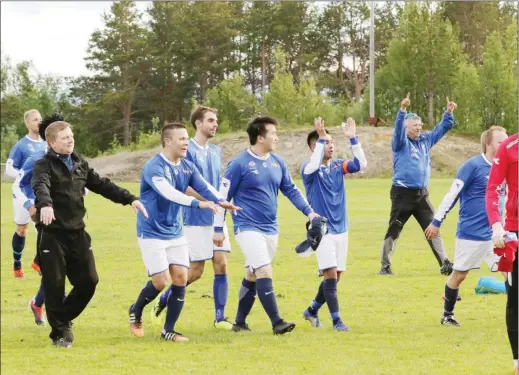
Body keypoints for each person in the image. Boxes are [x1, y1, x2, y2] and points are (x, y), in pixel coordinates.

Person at [32, 120, 147, 348]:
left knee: (89, 281)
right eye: (65, 138)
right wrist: (45, 204)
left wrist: (130, 198)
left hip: (77, 233)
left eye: (71, 135)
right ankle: (60, 334)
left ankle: (62, 319)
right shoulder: (43, 165)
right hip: (52, 235)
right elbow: (40, 185)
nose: (71, 140)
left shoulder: (80, 163)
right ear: (52, 142)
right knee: (55, 285)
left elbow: (102, 185)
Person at [128, 123, 239, 343]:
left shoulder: (187, 166)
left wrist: (221, 200)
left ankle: (168, 330)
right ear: (167, 141)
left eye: (187, 138)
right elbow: (169, 193)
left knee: (180, 277)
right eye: (181, 139)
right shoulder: (154, 167)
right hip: (151, 231)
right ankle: (136, 309)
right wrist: (199, 204)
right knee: (160, 282)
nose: (186, 142)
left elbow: (204, 187)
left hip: (174, 231)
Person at [214, 116, 319, 335]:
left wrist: (309, 211)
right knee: (263, 269)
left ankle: (240, 323)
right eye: (273, 133)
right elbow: (222, 197)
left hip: (271, 228)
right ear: (260, 137)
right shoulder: (239, 164)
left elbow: (290, 189)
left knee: (252, 274)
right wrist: (217, 228)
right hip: (246, 226)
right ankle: (277, 322)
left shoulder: (277, 162)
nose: (276, 138)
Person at [151, 107, 233, 330]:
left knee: (222, 263)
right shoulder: (188, 151)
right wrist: (206, 200)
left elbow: (216, 185)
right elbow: (184, 187)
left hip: (216, 215)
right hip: (194, 218)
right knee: (195, 271)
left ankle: (220, 318)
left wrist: (219, 202)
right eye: (210, 120)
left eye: (216, 120)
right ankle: (163, 299)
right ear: (198, 123)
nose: (215, 124)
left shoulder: (216, 150)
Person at [424, 126, 508, 326]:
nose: (505, 144)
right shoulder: (472, 166)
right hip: (471, 235)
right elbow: (452, 195)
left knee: (511, 273)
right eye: (500, 141)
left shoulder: (506, 166)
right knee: (460, 274)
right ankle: (447, 315)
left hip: (497, 234)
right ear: (488, 144)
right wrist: (436, 222)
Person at [378, 93, 457, 276]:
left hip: (421, 195)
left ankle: (445, 262)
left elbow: (441, 129)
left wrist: (448, 113)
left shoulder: (425, 140)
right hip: (402, 195)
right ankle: (385, 266)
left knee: (433, 227)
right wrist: (402, 111)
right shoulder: (400, 142)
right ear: (406, 127)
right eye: (414, 126)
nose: (419, 128)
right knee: (394, 229)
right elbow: (398, 130)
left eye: (420, 125)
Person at [300, 117, 367, 331]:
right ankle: (337, 321)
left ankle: (311, 310)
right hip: (322, 230)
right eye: (325, 142)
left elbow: (361, 165)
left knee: (336, 277)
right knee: (330, 274)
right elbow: (312, 164)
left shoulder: (338, 166)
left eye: (331, 142)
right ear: (314, 146)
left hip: (342, 228)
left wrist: (353, 138)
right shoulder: (309, 169)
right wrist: (320, 138)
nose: (330, 145)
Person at [13, 114, 66, 326]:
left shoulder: (68, 157)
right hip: (42, 215)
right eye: (63, 134)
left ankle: (38, 301)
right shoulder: (36, 158)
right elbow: (17, 185)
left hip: (63, 214)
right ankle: (53, 307)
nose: (69, 138)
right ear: (51, 137)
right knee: (56, 264)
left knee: (58, 264)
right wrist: (30, 205)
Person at [485, 133, 518, 374]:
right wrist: (497, 225)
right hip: (515, 232)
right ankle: (518, 360)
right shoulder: (508, 147)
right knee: (515, 299)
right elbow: (492, 189)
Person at [6, 109, 46, 278]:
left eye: (40, 119)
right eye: (35, 119)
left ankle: (40, 262)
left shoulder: (46, 143)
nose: (39, 122)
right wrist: (26, 175)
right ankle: (17, 264)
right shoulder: (21, 145)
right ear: (28, 123)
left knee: (43, 229)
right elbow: (9, 169)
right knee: (22, 230)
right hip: (23, 192)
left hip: (40, 194)